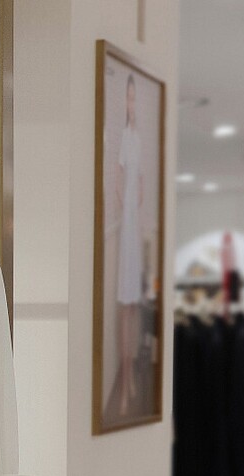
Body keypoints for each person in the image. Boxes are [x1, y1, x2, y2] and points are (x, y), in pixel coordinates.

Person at [115, 72, 143, 417]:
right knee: (125, 305)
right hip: (127, 229)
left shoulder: (138, 137)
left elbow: (141, 184)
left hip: (135, 229)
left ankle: (132, 375)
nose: (131, 103)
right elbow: (118, 180)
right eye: (129, 97)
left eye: (135, 97)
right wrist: (126, 209)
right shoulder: (124, 137)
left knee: (134, 306)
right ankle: (124, 383)